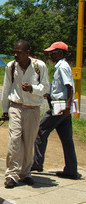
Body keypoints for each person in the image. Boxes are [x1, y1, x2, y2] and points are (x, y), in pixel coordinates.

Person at [1, 40, 49, 188]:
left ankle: (25, 173)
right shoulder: (10, 67)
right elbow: (6, 88)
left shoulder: (39, 66)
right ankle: (12, 174)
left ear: (28, 52)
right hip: (16, 107)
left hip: (33, 108)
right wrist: (4, 109)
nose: (16, 55)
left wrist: (32, 89)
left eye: (19, 52)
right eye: (14, 51)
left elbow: (46, 87)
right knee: (15, 140)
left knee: (29, 142)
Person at [32, 42, 80, 179]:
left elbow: (69, 87)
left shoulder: (63, 67)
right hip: (62, 108)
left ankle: (37, 163)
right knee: (67, 139)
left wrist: (67, 106)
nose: (51, 55)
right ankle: (71, 169)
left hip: (60, 108)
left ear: (61, 53)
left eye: (53, 52)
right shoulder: (60, 66)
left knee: (40, 131)